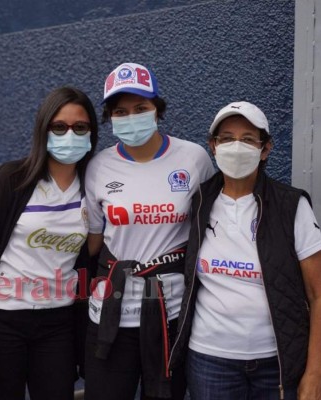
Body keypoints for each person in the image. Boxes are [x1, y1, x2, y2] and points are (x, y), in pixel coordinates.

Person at [169, 101, 321, 399]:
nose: (236, 146)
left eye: (247, 139)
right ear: (213, 146)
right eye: (227, 138)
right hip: (209, 360)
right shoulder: (198, 203)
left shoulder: (291, 206)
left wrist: (316, 372)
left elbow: (320, 295)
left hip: (277, 364)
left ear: (265, 149)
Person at [0, 86, 99, 400]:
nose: (69, 134)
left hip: (58, 324)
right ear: (43, 130)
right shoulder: (11, 180)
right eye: (59, 127)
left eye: (80, 127)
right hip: (4, 321)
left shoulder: (92, 186)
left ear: (91, 134)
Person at [83, 62, 215, 400]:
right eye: (121, 111)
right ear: (110, 117)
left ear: (157, 109)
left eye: (140, 108)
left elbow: (211, 227)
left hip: (168, 315)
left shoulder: (194, 159)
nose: (131, 117)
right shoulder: (98, 166)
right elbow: (93, 244)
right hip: (111, 314)